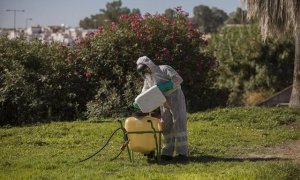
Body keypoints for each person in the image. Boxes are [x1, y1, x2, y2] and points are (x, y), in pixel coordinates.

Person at [133, 56, 188, 162]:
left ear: (149, 65)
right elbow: (145, 91)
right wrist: (138, 102)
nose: (145, 72)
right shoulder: (148, 78)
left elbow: (178, 79)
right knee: (166, 126)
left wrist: (167, 85)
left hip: (175, 96)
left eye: (146, 69)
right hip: (163, 101)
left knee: (179, 124)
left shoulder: (164, 68)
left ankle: (182, 153)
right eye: (143, 72)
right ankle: (167, 153)